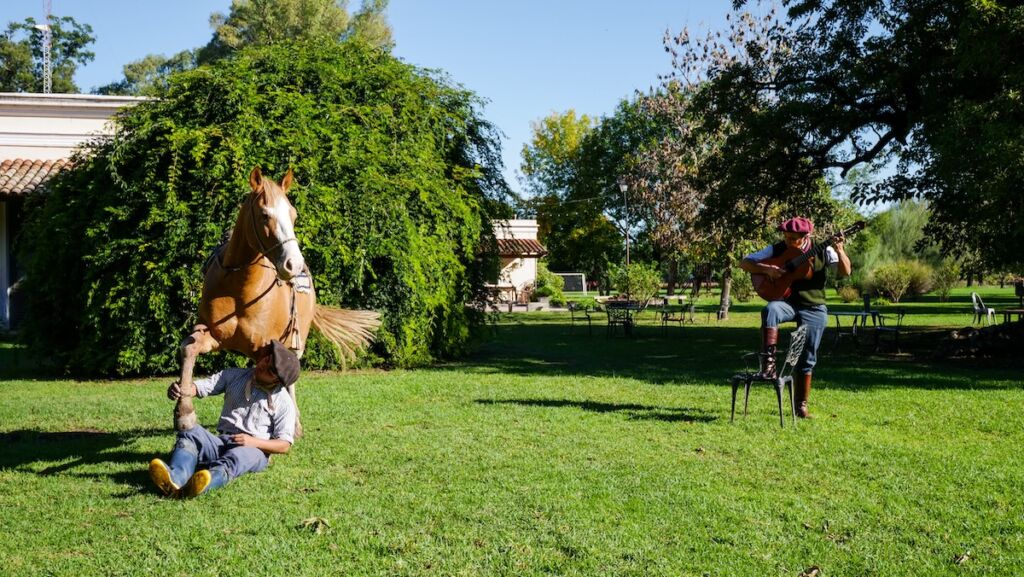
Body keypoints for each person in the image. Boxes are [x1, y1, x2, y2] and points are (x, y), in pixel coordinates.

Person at [148, 340, 300, 498]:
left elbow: (284, 445)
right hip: (221, 441)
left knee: (237, 458)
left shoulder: (284, 402)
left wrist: (253, 442)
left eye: (269, 370)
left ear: (277, 381)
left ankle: (203, 483)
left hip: (255, 451)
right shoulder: (234, 375)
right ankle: (176, 478)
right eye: (267, 360)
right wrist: (183, 390)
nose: (262, 366)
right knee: (190, 434)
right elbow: (201, 387)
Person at [738, 217, 851, 418]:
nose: (789, 241)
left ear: (805, 236)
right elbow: (745, 263)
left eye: (793, 239)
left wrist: (840, 249)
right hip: (788, 304)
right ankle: (769, 365)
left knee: (807, 357)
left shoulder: (824, 249)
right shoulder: (778, 249)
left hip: (813, 307)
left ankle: (801, 406)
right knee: (770, 309)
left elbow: (845, 272)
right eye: (786, 237)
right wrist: (767, 269)